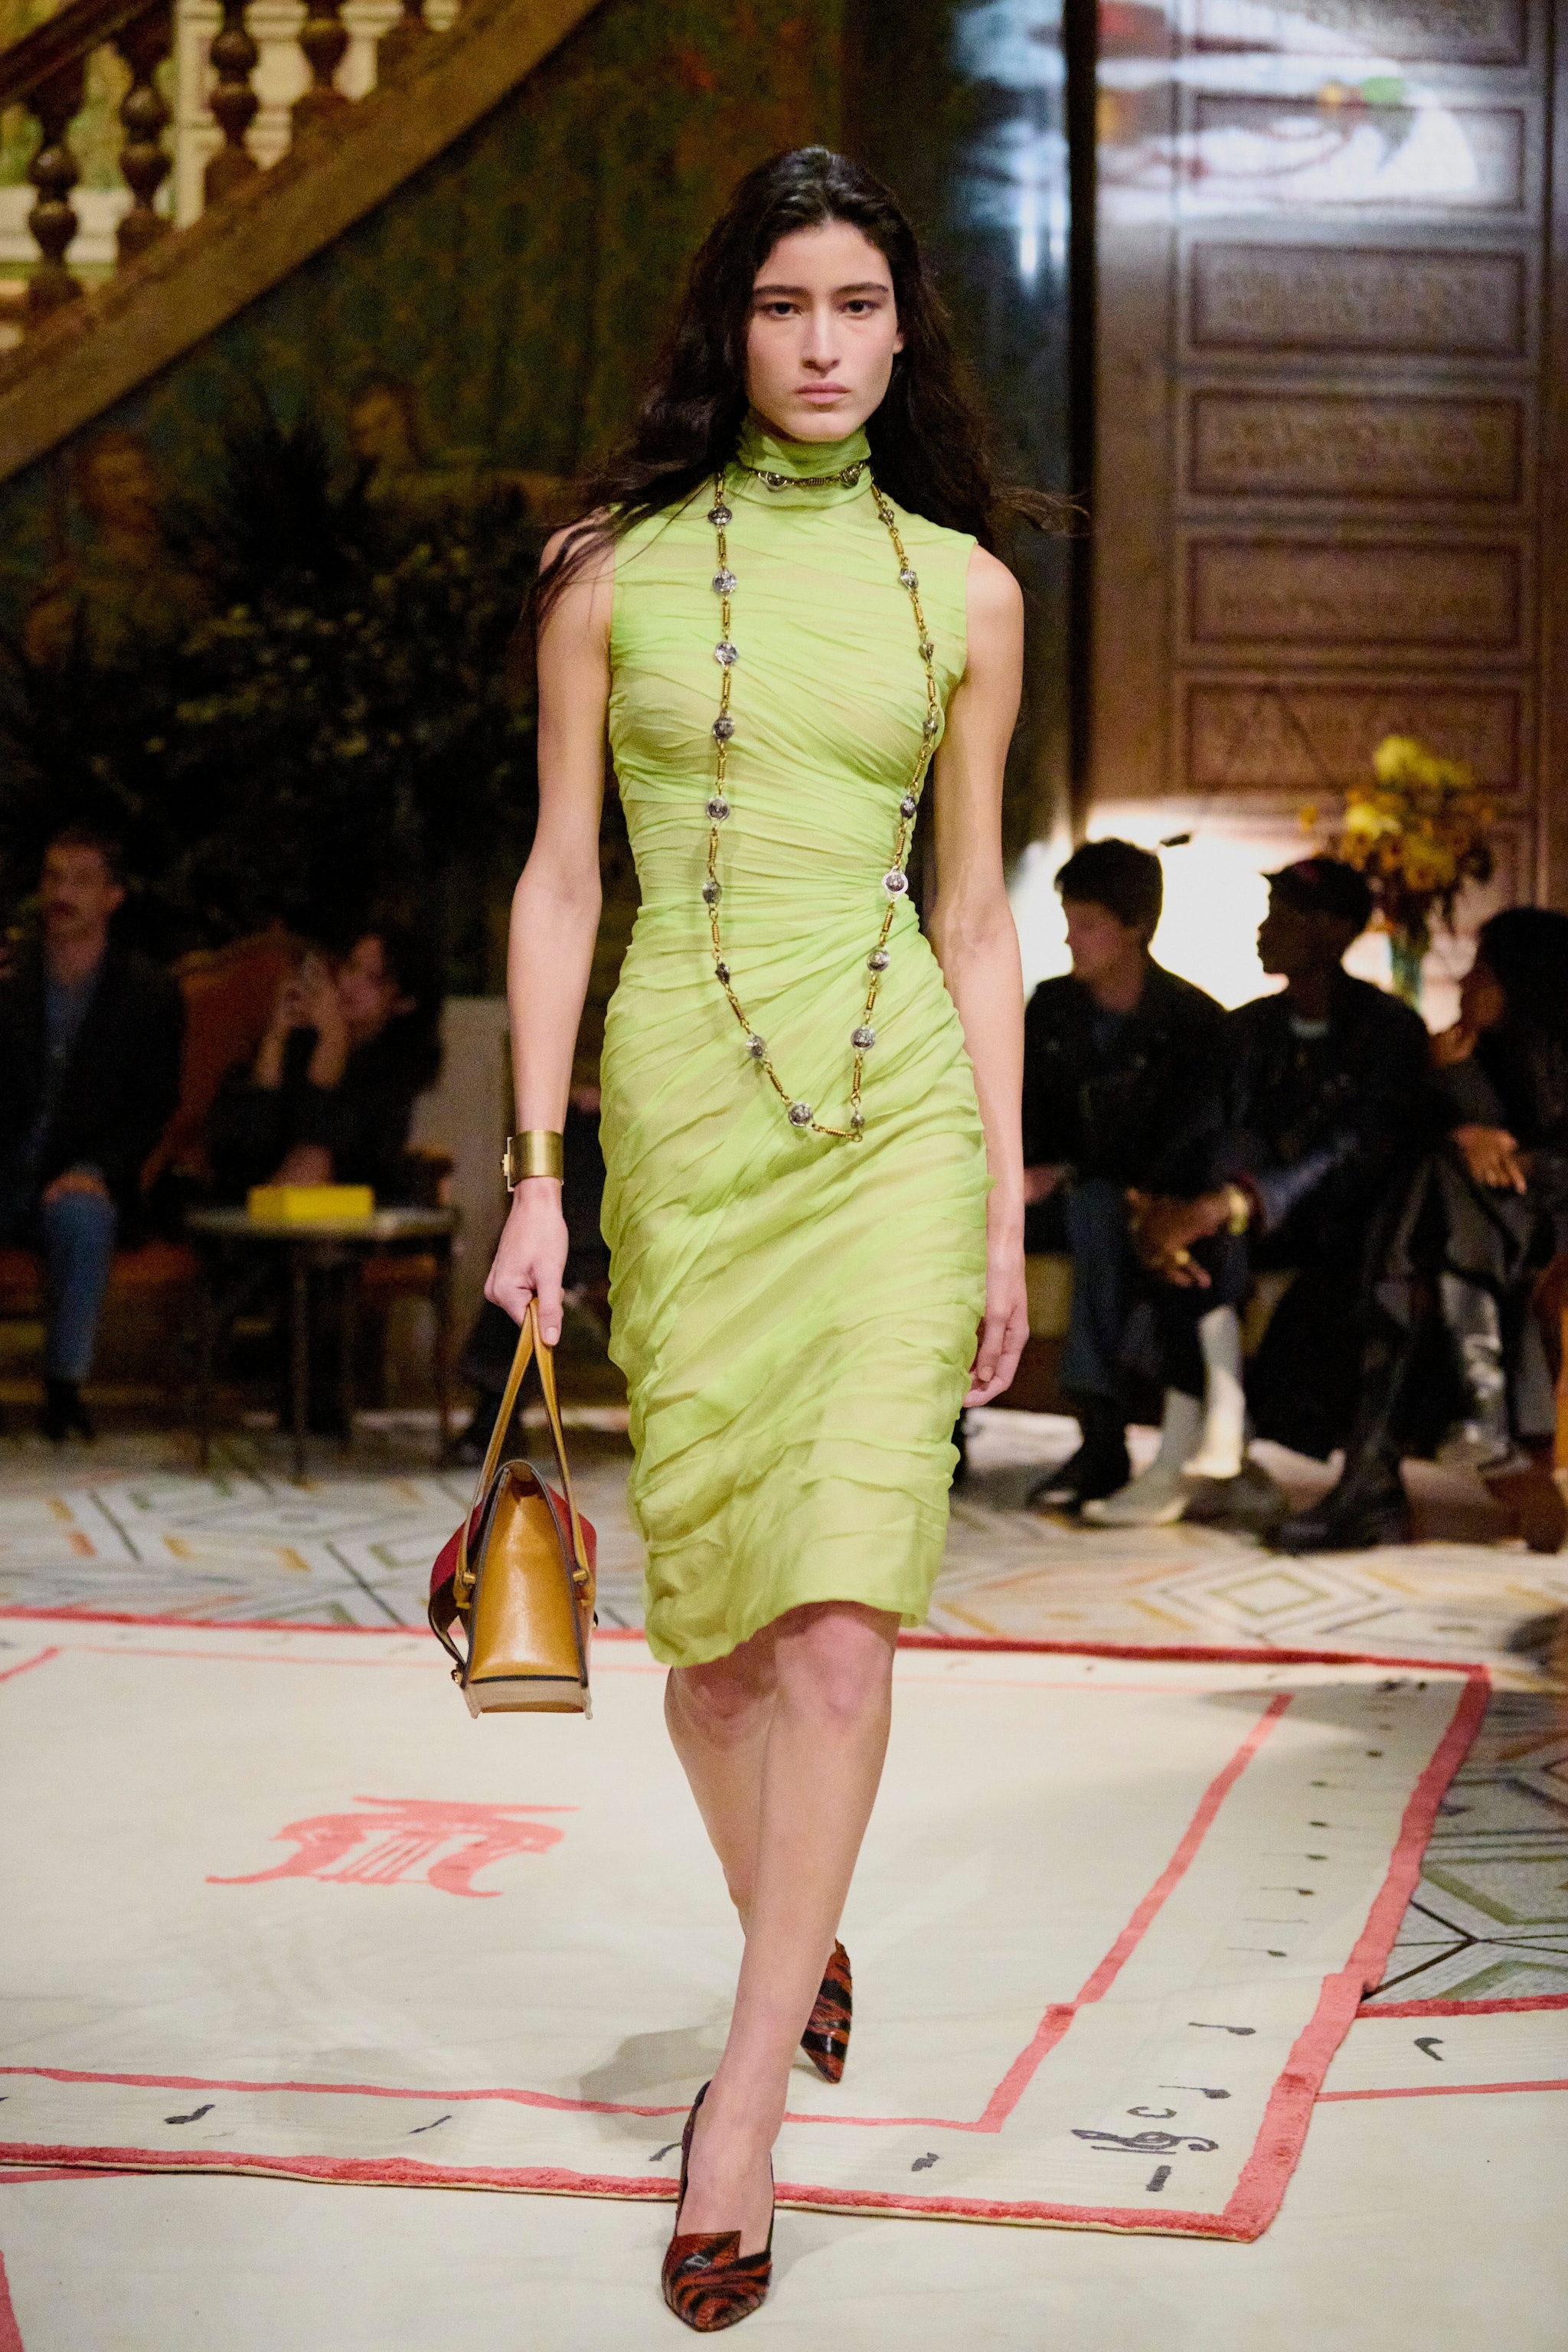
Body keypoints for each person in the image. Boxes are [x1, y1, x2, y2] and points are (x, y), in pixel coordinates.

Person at [482, 148, 1031, 2330]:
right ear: (734, 325)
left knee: (836, 1630)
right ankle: (791, 1938)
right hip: (686, 1115)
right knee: (713, 1648)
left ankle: (740, 2112)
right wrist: (536, 1171)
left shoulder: (965, 592)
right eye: (785, 303)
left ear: (904, 335)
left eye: (857, 306)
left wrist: (998, 1206)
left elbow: (972, 914)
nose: (821, 343)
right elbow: (559, 880)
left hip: (893, 1112)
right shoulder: (605, 570)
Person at [1132, 858, 1434, 1521]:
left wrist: (1234, 1202)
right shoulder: (1247, 1028)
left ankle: (1202, 1439)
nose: (1264, 931)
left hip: (1345, 1229)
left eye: (1284, 917)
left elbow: (1352, 1150)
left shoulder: (1387, 1029)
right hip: (1241, 1232)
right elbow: (1198, 1132)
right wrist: (1157, 1209)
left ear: (1335, 930)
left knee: (1224, 1192)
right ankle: (1217, 1427)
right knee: (1216, 1169)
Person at [1276, 907, 1568, 1554]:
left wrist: (1516, 1162)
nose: (1464, 983)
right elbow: (1396, 1142)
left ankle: (1375, 1486)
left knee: (1423, 1222)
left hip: (1545, 1230)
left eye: (1481, 972)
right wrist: (1453, 1099)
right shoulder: (1467, 1053)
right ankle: (1471, 1400)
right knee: (1420, 1242)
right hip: (1463, 1241)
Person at [1019, 839, 1225, 1509]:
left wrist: (1071, 1171)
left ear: (1135, 927)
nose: (1070, 939)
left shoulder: (1193, 1022)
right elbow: (1025, 1112)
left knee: (1099, 1205)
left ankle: (1101, 1436)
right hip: (1050, 1198)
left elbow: (1185, 1141)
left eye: (1087, 923)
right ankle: (943, 1426)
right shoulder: (1052, 1009)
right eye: (1069, 921)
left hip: (1133, 1204)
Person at [0, 828, 184, 1441]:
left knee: (82, 1214)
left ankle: (64, 1392)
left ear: (112, 897)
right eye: (53, 877)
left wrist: (96, 1169)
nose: (62, 894)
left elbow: (153, 1107)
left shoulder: (149, 993)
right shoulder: (11, 975)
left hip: (82, 1169)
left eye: (80, 881)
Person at [208, 926, 443, 1204]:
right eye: (351, 967)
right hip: (249, 1207)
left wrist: (332, 1043)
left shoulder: (393, 1074)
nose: (351, 984)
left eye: (373, 979)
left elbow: (318, 1165)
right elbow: (237, 1155)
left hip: (341, 1216)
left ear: (405, 1001)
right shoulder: (301, 1042)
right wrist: (275, 1037)